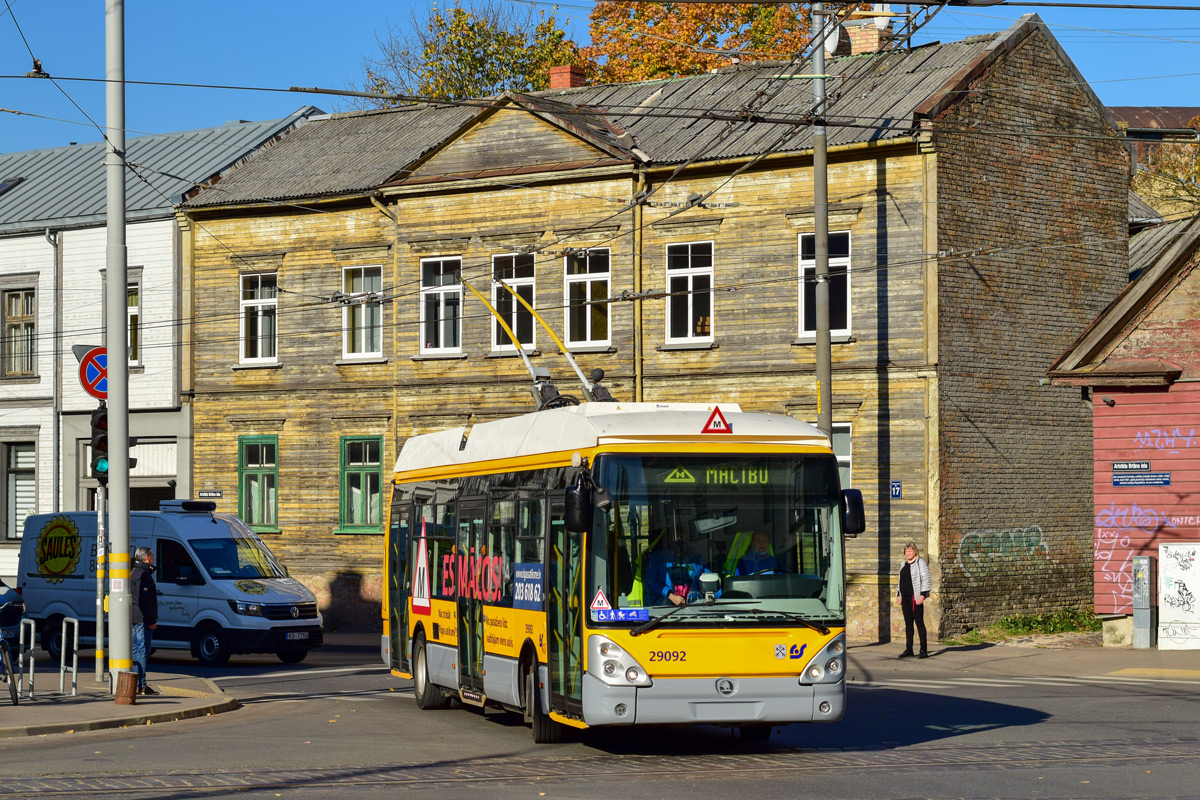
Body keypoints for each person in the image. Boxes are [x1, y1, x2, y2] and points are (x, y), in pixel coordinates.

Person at [645, 527, 709, 606]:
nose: (679, 541)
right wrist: (670, 595)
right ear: (668, 541)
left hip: (694, 607)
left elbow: (710, 582)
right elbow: (650, 583)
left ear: (688, 539)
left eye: (682, 537)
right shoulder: (658, 558)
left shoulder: (697, 559)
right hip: (663, 611)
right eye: (675, 539)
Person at [895, 541, 932, 659]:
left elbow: (925, 579)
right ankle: (909, 649)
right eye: (906, 551)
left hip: (915, 597)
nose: (908, 553)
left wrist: (922, 595)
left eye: (910, 551)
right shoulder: (903, 564)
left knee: (919, 623)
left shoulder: (920, 562)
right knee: (908, 624)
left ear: (915, 551)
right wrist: (898, 594)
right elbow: (900, 581)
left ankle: (923, 649)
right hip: (905, 597)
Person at [131, 546, 159, 695]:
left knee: (136, 651)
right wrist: (151, 620)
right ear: (146, 558)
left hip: (134, 617)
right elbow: (145, 600)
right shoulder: (144, 575)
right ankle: (141, 685)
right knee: (142, 651)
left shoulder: (134, 572)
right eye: (152, 555)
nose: (153, 558)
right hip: (143, 619)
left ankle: (136, 684)